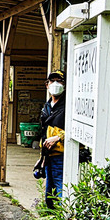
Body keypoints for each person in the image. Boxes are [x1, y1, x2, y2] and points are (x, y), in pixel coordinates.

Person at [39, 70, 66, 209]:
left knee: (62, 189)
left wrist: (59, 137)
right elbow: (44, 132)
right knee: (50, 192)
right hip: (49, 155)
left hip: (62, 155)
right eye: (52, 81)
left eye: (59, 81)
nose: (55, 84)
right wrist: (42, 157)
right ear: (47, 85)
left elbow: (76, 130)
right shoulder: (47, 106)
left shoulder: (69, 106)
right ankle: (52, 218)